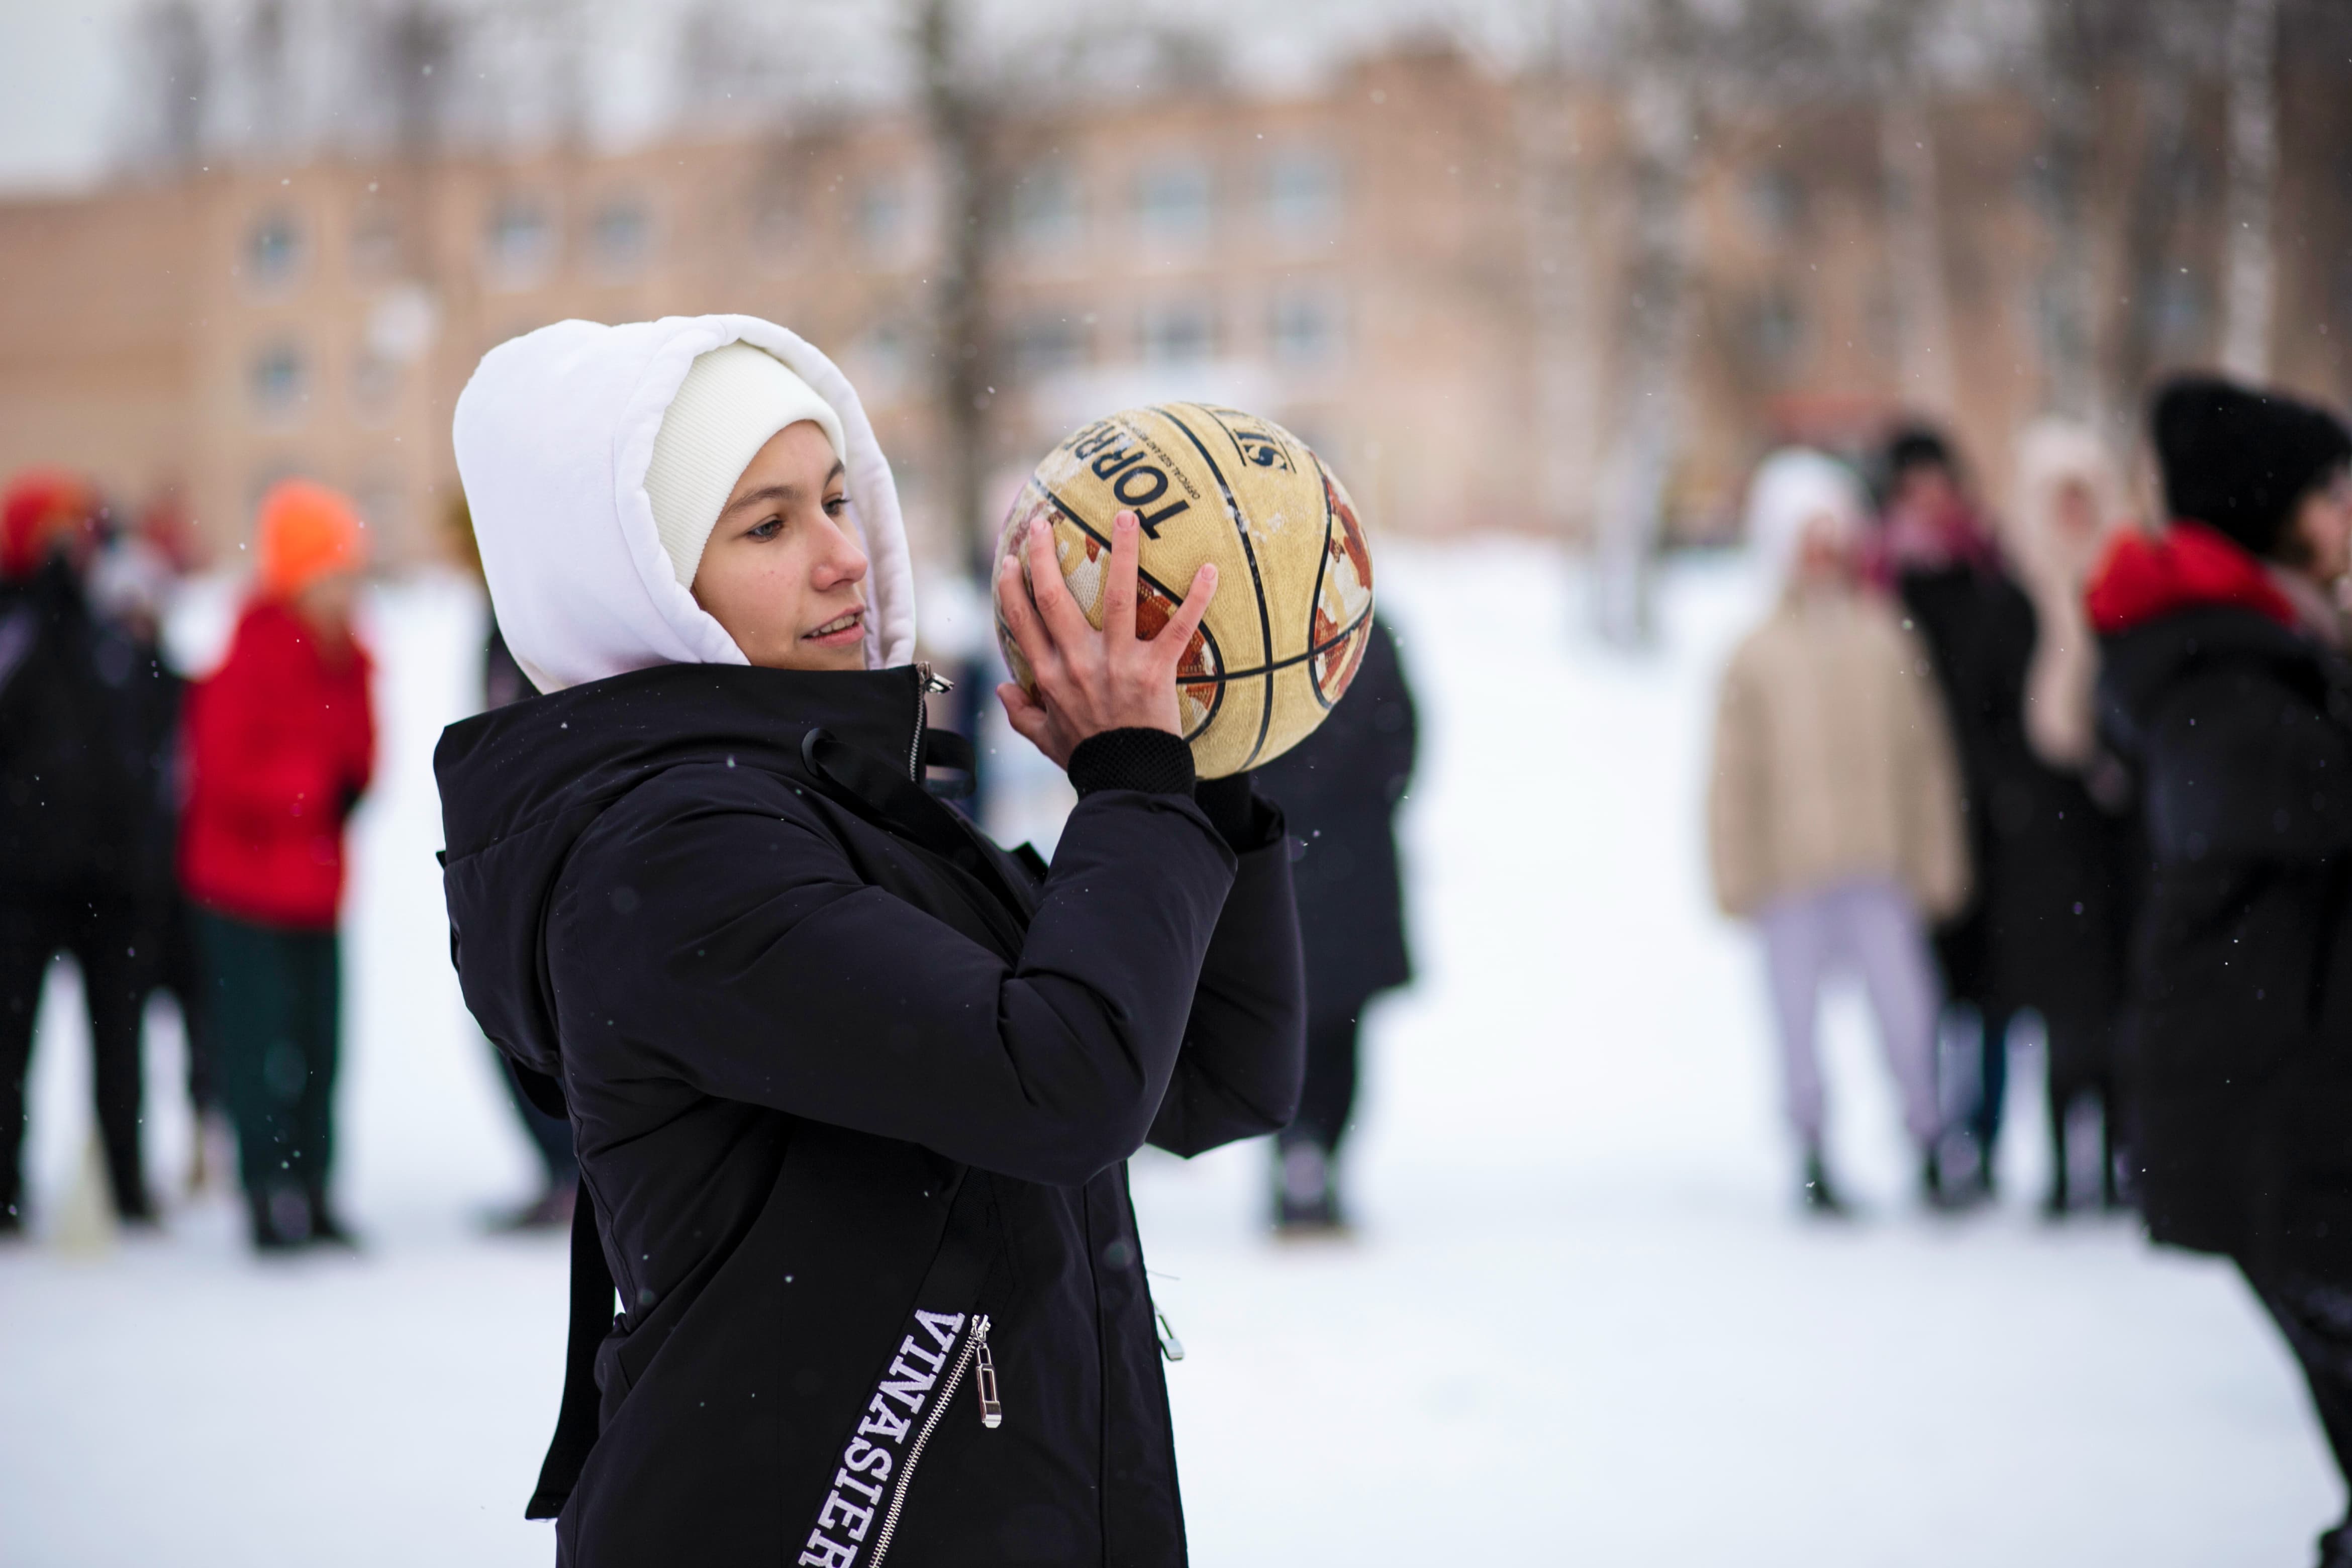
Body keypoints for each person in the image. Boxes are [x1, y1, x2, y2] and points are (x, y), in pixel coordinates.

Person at [438, 317, 1305, 1563]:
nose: (846, 556)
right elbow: (1064, 1081)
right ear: (641, 579)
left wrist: (1195, 778)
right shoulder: (676, 858)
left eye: (838, 498)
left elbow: (1216, 1070)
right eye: (767, 525)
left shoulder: (834, 812)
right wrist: (1129, 786)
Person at [2089, 376, 2352, 1568]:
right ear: (2280, 514)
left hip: (2287, 1096)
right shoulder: (2215, 670)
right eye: (2334, 494)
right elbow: (2292, 806)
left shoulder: (2266, 649)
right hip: (2272, 1108)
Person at [1709, 449, 1969, 1211]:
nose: (1821, 553)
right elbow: (1732, 775)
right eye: (1806, 537)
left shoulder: (1884, 636)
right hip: (1790, 872)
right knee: (1796, 1027)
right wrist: (1734, 869)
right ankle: (1813, 1149)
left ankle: (1928, 1142)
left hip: (1876, 865)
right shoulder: (1755, 653)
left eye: (1832, 535)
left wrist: (1935, 857)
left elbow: (1923, 757)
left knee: (1907, 1017)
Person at [180, 480, 374, 1252]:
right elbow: (225, 771)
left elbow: (359, 747)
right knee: (256, 1051)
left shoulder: (348, 656)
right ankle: (267, 1193)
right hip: (245, 891)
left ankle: (317, 1191)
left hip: (316, 888)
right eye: (333, 575)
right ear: (298, 578)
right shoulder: (251, 650)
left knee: (322, 1048)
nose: (347, 592)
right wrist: (312, 791)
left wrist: (349, 781)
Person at [1871, 424, 2048, 1196]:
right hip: (1910, 816)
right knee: (1922, 992)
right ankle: (1931, 1135)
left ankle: (1985, 1135)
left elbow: (2017, 692)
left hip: (1996, 818)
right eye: (1913, 488)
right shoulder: (1878, 592)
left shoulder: (1994, 581)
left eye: (1938, 483)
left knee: (1995, 991)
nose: (1930, 502)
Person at [0, 470, 163, 1233]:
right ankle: (5, 1184)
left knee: (121, 1045)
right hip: (21, 881)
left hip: (113, 877)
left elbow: (151, 725)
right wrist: (44, 605)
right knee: (9, 1044)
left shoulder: (113, 628)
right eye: (51, 531)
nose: (69, 547)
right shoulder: (18, 625)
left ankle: (126, 1184)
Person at [1994, 421, 2141, 1212]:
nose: (2076, 514)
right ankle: (2058, 1165)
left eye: (2088, 497)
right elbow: (1990, 714)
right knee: (2060, 1017)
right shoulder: (2013, 592)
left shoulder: (2127, 588)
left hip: (2118, 830)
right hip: (2041, 835)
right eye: (2063, 499)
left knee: (2120, 1006)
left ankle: (2120, 1160)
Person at [1252, 614, 1416, 1235]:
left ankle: (1300, 1154)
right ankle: (1314, 1155)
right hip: (1346, 867)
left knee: (1280, 1027)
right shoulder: (1367, 630)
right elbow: (1401, 748)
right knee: (1334, 1031)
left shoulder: (1258, 623)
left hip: (1279, 862)